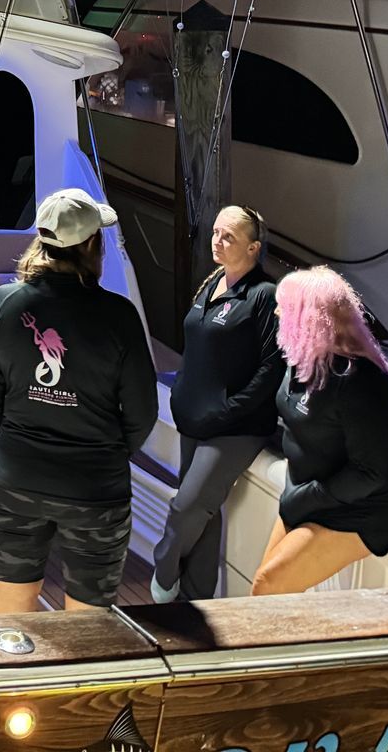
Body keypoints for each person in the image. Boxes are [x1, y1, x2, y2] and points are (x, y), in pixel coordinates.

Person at [0, 189, 156, 611]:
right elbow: (143, 412)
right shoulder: (119, 315)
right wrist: (104, 451)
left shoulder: (3, 303)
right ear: (92, 244)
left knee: (10, 612)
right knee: (87, 625)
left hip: (19, 476)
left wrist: (25, 434)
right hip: (95, 486)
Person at [151, 205, 283, 602]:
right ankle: (196, 603)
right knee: (205, 520)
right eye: (215, 233)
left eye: (229, 237)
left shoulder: (264, 295)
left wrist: (229, 410)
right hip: (194, 420)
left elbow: (271, 369)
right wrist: (180, 395)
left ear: (254, 248)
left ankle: (162, 577)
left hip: (234, 427)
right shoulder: (212, 283)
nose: (217, 241)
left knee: (187, 507)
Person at [252, 267, 388, 596]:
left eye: (285, 306)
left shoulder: (361, 382)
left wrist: (306, 498)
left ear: (310, 318)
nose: (277, 311)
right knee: (265, 590)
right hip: (308, 493)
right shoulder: (303, 359)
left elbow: (370, 472)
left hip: (359, 508)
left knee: (268, 587)